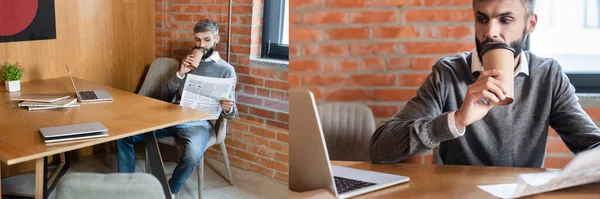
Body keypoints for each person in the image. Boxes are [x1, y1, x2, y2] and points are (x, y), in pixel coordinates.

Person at [369, 0, 600, 167]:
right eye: (482, 19)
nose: (491, 32)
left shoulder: (548, 75)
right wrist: (456, 119)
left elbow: (591, 145)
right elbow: (380, 149)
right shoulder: (448, 72)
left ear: (530, 24)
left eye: (505, 19)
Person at [115, 19, 238, 199]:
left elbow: (234, 114)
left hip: (198, 123)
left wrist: (228, 108)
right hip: (173, 116)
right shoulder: (188, 62)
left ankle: (169, 190)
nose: (201, 45)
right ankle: (128, 187)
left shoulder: (226, 70)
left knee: (193, 154)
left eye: (207, 40)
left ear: (216, 39)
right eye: (197, 40)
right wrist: (180, 73)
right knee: (124, 135)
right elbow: (164, 97)